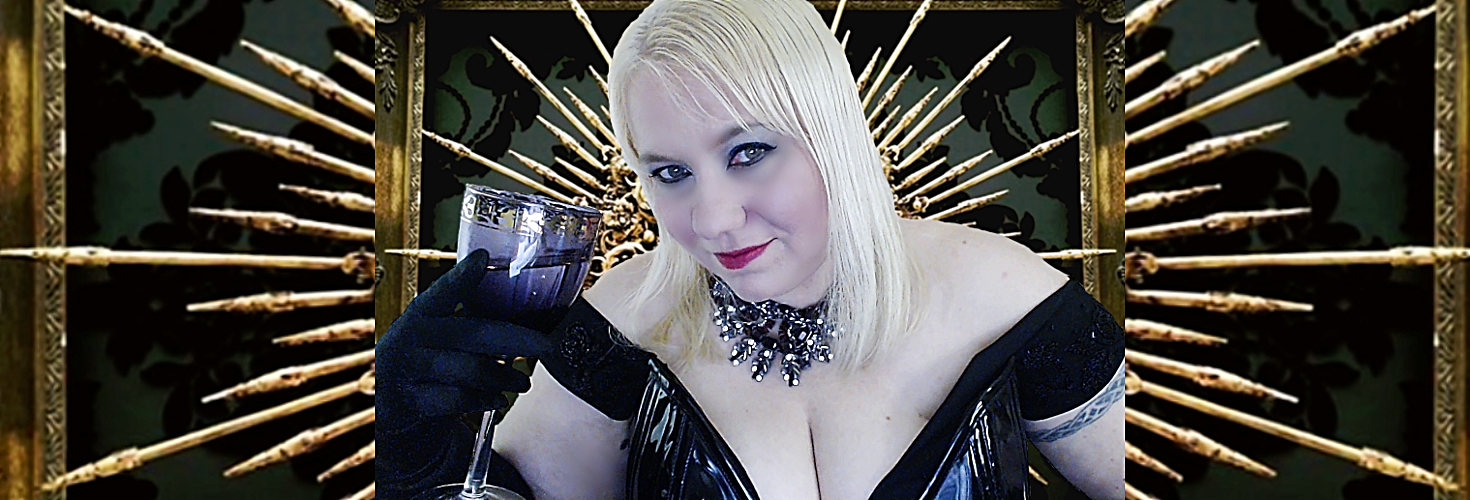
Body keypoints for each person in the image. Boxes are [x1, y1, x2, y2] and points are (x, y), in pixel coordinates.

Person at [375, 0, 1126, 499]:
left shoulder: (1005, 298)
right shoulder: (620, 326)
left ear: (831, 136)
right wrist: (413, 450)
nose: (714, 220)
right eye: (670, 173)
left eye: (749, 152)